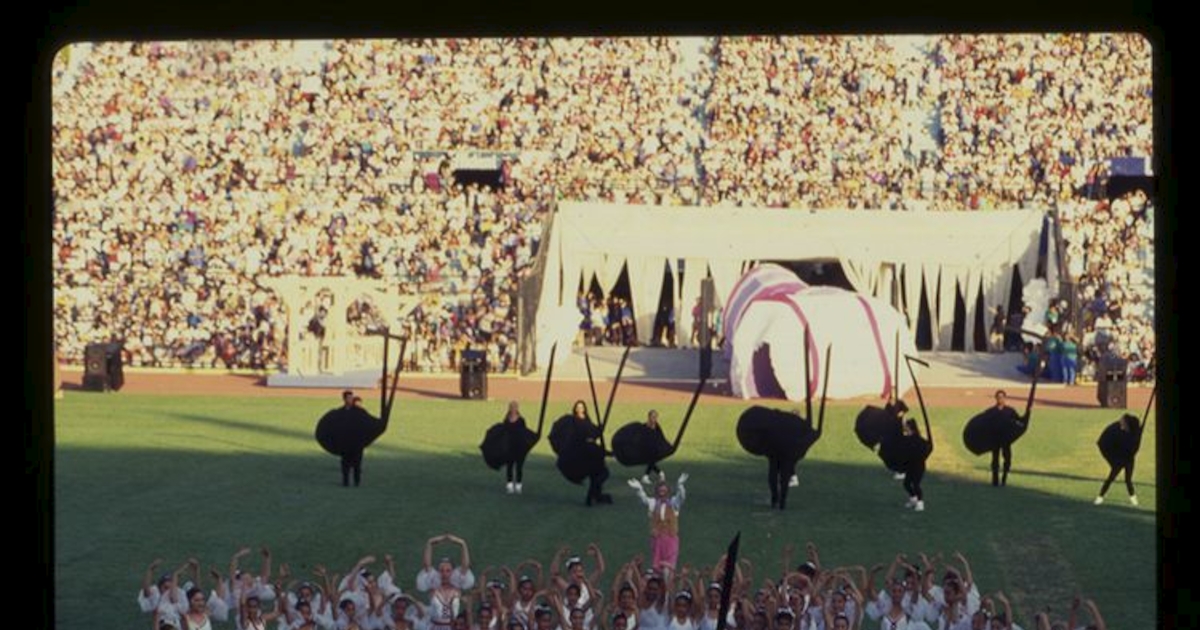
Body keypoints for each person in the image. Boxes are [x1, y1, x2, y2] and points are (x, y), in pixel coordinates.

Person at [627, 474, 688, 582]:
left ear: (668, 492)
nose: (662, 493)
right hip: (657, 539)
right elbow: (644, 499)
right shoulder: (653, 503)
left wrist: (680, 485)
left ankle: (668, 590)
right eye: (660, 491)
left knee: (669, 568)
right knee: (657, 567)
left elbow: (681, 497)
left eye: (664, 491)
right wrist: (639, 489)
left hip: (671, 539)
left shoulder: (673, 503)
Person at [417, 535, 476, 630]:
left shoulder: (457, 588)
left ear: (453, 572)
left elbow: (465, 566)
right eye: (442, 570)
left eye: (448, 570)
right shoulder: (433, 588)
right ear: (438, 572)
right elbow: (427, 565)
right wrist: (430, 543)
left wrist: (462, 544)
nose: (444, 574)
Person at [1094, 413, 1144, 506]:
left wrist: (1139, 433)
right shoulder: (1119, 432)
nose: (1121, 423)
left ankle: (1133, 498)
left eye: (1123, 422)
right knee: (1110, 479)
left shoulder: (1133, 434)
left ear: (1128, 423)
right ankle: (1100, 497)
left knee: (1128, 480)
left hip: (1129, 460)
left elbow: (1134, 446)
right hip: (1119, 461)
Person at [503, 401, 529, 494]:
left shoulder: (521, 420)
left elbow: (525, 433)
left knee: (519, 467)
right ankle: (509, 486)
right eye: (512, 407)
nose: (513, 409)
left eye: (515, 407)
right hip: (509, 447)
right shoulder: (506, 420)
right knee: (509, 467)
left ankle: (518, 486)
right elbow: (504, 433)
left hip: (519, 448)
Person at [641, 410, 669, 483]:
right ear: (649, 417)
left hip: (654, 448)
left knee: (651, 461)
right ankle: (659, 474)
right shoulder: (644, 426)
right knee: (650, 461)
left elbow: (661, 437)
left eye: (655, 417)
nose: (654, 419)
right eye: (652, 417)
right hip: (646, 448)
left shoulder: (657, 427)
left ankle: (649, 476)